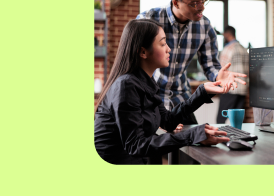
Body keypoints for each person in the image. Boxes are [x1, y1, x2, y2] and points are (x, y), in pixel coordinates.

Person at [94, 19, 231, 165]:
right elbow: (136, 145)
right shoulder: (126, 85)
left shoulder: (146, 82)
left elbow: (168, 121)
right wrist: (192, 135)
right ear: (143, 52)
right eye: (162, 43)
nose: (168, 49)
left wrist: (202, 92)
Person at [136, 0, 246, 125]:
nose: (202, 7)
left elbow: (210, 65)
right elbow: (134, 65)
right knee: (155, 145)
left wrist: (218, 76)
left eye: (203, 0)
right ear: (176, 2)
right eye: (195, 3)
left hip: (180, 99)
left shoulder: (205, 26)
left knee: (198, 142)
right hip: (149, 99)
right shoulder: (148, 19)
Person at [216, 26, 249, 125]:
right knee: (237, 120)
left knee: (220, 119)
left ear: (227, 34)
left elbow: (221, 69)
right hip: (242, 88)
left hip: (230, 88)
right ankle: (238, 138)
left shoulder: (228, 49)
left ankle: (220, 138)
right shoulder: (243, 49)